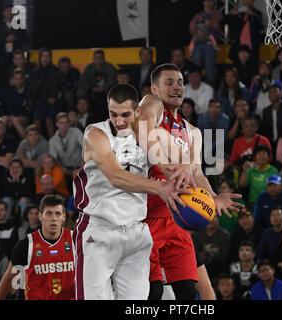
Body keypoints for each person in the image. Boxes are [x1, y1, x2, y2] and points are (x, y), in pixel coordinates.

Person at [134, 63, 244, 300]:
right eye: (169, 82)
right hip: (144, 218)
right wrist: (167, 163)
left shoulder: (192, 131)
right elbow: (142, 129)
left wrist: (214, 197)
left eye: (180, 82)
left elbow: (197, 173)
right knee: (151, 292)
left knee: (188, 292)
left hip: (177, 218)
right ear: (154, 88)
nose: (177, 87)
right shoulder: (152, 105)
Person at [72, 83, 189, 300]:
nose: (118, 121)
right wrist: (160, 187)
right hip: (99, 230)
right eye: (113, 114)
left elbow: (182, 163)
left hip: (136, 232)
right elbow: (116, 177)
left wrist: (192, 176)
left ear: (137, 112)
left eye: (125, 114)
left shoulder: (147, 136)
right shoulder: (96, 134)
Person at [0, 195, 75, 300]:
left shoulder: (76, 240)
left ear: (64, 217)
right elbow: (9, 278)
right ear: (40, 216)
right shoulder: (26, 245)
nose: (54, 218)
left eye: (58, 213)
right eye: (49, 213)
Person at [29, 47, 64, 138]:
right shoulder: (35, 72)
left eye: (48, 56)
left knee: (49, 121)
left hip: (54, 101)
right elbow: (34, 90)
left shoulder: (56, 71)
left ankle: (51, 146)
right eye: (43, 56)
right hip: (41, 101)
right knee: (37, 122)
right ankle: (37, 144)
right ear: (40, 58)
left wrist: (54, 97)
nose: (46, 58)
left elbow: (61, 88)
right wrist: (46, 98)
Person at [77, 50, 117, 121]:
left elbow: (112, 81)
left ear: (104, 59)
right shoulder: (89, 68)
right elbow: (82, 81)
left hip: (106, 93)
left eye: (100, 58)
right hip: (92, 93)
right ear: (93, 59)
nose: (98, 60)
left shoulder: (110, 67)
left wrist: (102, 88)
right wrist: (91, 88)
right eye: (96, 58)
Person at [189, 0, 222, 86]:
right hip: (198, 44)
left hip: (209, 44)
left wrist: (209, 24)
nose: (208, 3)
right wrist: (197, 30)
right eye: (206, 1)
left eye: (210, 1)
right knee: (196, 68)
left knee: (210, 70)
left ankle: (210, 90)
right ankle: (195, 88)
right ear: (203, 2)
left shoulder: (217, 14)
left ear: (213, 3)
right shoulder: (198, 15)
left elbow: (217, 28)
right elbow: (191, 27)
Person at [193, 215, 231, 280]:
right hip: (201, 266)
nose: (210, 220)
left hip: (219, 268)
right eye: (207, 217)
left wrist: (205, 256)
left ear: (218, 220)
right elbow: (195, 252)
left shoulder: (225, 235)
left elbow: (224, 257)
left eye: (213, 218)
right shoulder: (199, 233)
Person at [239, 144, 278, 208]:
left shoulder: (273, 171)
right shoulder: (250, 170)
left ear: (268, 157)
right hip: (253, 202)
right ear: (255, 157)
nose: (261, 156)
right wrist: (244, 171)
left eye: (264, 154)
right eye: (259, 154)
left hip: (269, 201)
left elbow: (276, 189)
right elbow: (242, 184)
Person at [49, 112, 83, 185]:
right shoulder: (52, 141)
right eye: (61, 123)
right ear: (57, 124)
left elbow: (86, 147)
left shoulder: (76, 132)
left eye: (66, 123)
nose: (64, 125)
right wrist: (65, 171)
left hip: (80, 168)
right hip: (64, 170)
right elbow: (54, 160)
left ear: (69, 123)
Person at [197, 99, 230, 168]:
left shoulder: (225, 119)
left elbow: (223, 138)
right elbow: (200, 136)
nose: (214, 109)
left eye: (217, 107)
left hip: (220, 146)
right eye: (212, 107)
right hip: (204, 145)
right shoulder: (201, 118)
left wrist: (210, 147)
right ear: (208, 108)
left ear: (220, 109)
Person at [261, 83, 282, 148]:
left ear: (280, 93)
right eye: (270, 92)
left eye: (275, 91)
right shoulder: (266, 111)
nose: (272, 94)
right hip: (271, 143)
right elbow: (265, 129)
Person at [6, 68, 31, 140]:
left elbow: (28, 111)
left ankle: (26, 141)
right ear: (13, 80)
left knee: (15, 120)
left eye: (20, 78)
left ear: (24, 79)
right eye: (16, 79)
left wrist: (13, 117)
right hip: (15, 116)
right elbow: (11, 108)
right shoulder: (11, 93)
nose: (18, 81)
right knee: (4, 119)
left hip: (26, 118)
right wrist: (11, 117)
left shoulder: (29, 92)